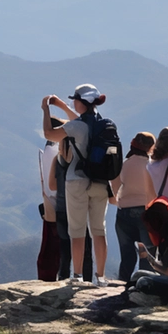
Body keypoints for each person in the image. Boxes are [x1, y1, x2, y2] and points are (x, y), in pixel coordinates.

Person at [42, 84, 114, 285]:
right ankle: (101, 277)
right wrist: (63, 106)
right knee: (99, 230)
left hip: (77, 180)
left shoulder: (77, 126)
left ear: (82, 102)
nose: (73, 102)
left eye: (75, 99)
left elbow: (49, 133)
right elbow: (80, 120)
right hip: (100, 181)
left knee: (77, 231)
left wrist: (46, 109)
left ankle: (78, 275)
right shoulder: (107, 125)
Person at [113, 132, 157, 282]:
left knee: (127, 255)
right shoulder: (151, 165)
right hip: (146, 211)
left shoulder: (124, 164)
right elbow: (154, 192)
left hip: (123, 212)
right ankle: (143, 286)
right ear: (151, 147)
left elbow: (114, 188)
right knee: (147, 254)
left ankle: (122, 285)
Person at [49, 135, 92, 280]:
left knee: (65, 249)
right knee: (85, 249)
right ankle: (86, 281)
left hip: (61, 208)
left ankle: (63, 279)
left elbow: (51, 185)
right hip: (79, 207)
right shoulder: (81, 160)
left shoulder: (57, 160)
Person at [36, 119, 64, 281]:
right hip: (58, 202)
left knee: (49, 247)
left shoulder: (47, 150)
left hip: (49, 202)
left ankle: (47, 278)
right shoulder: (56, 152)